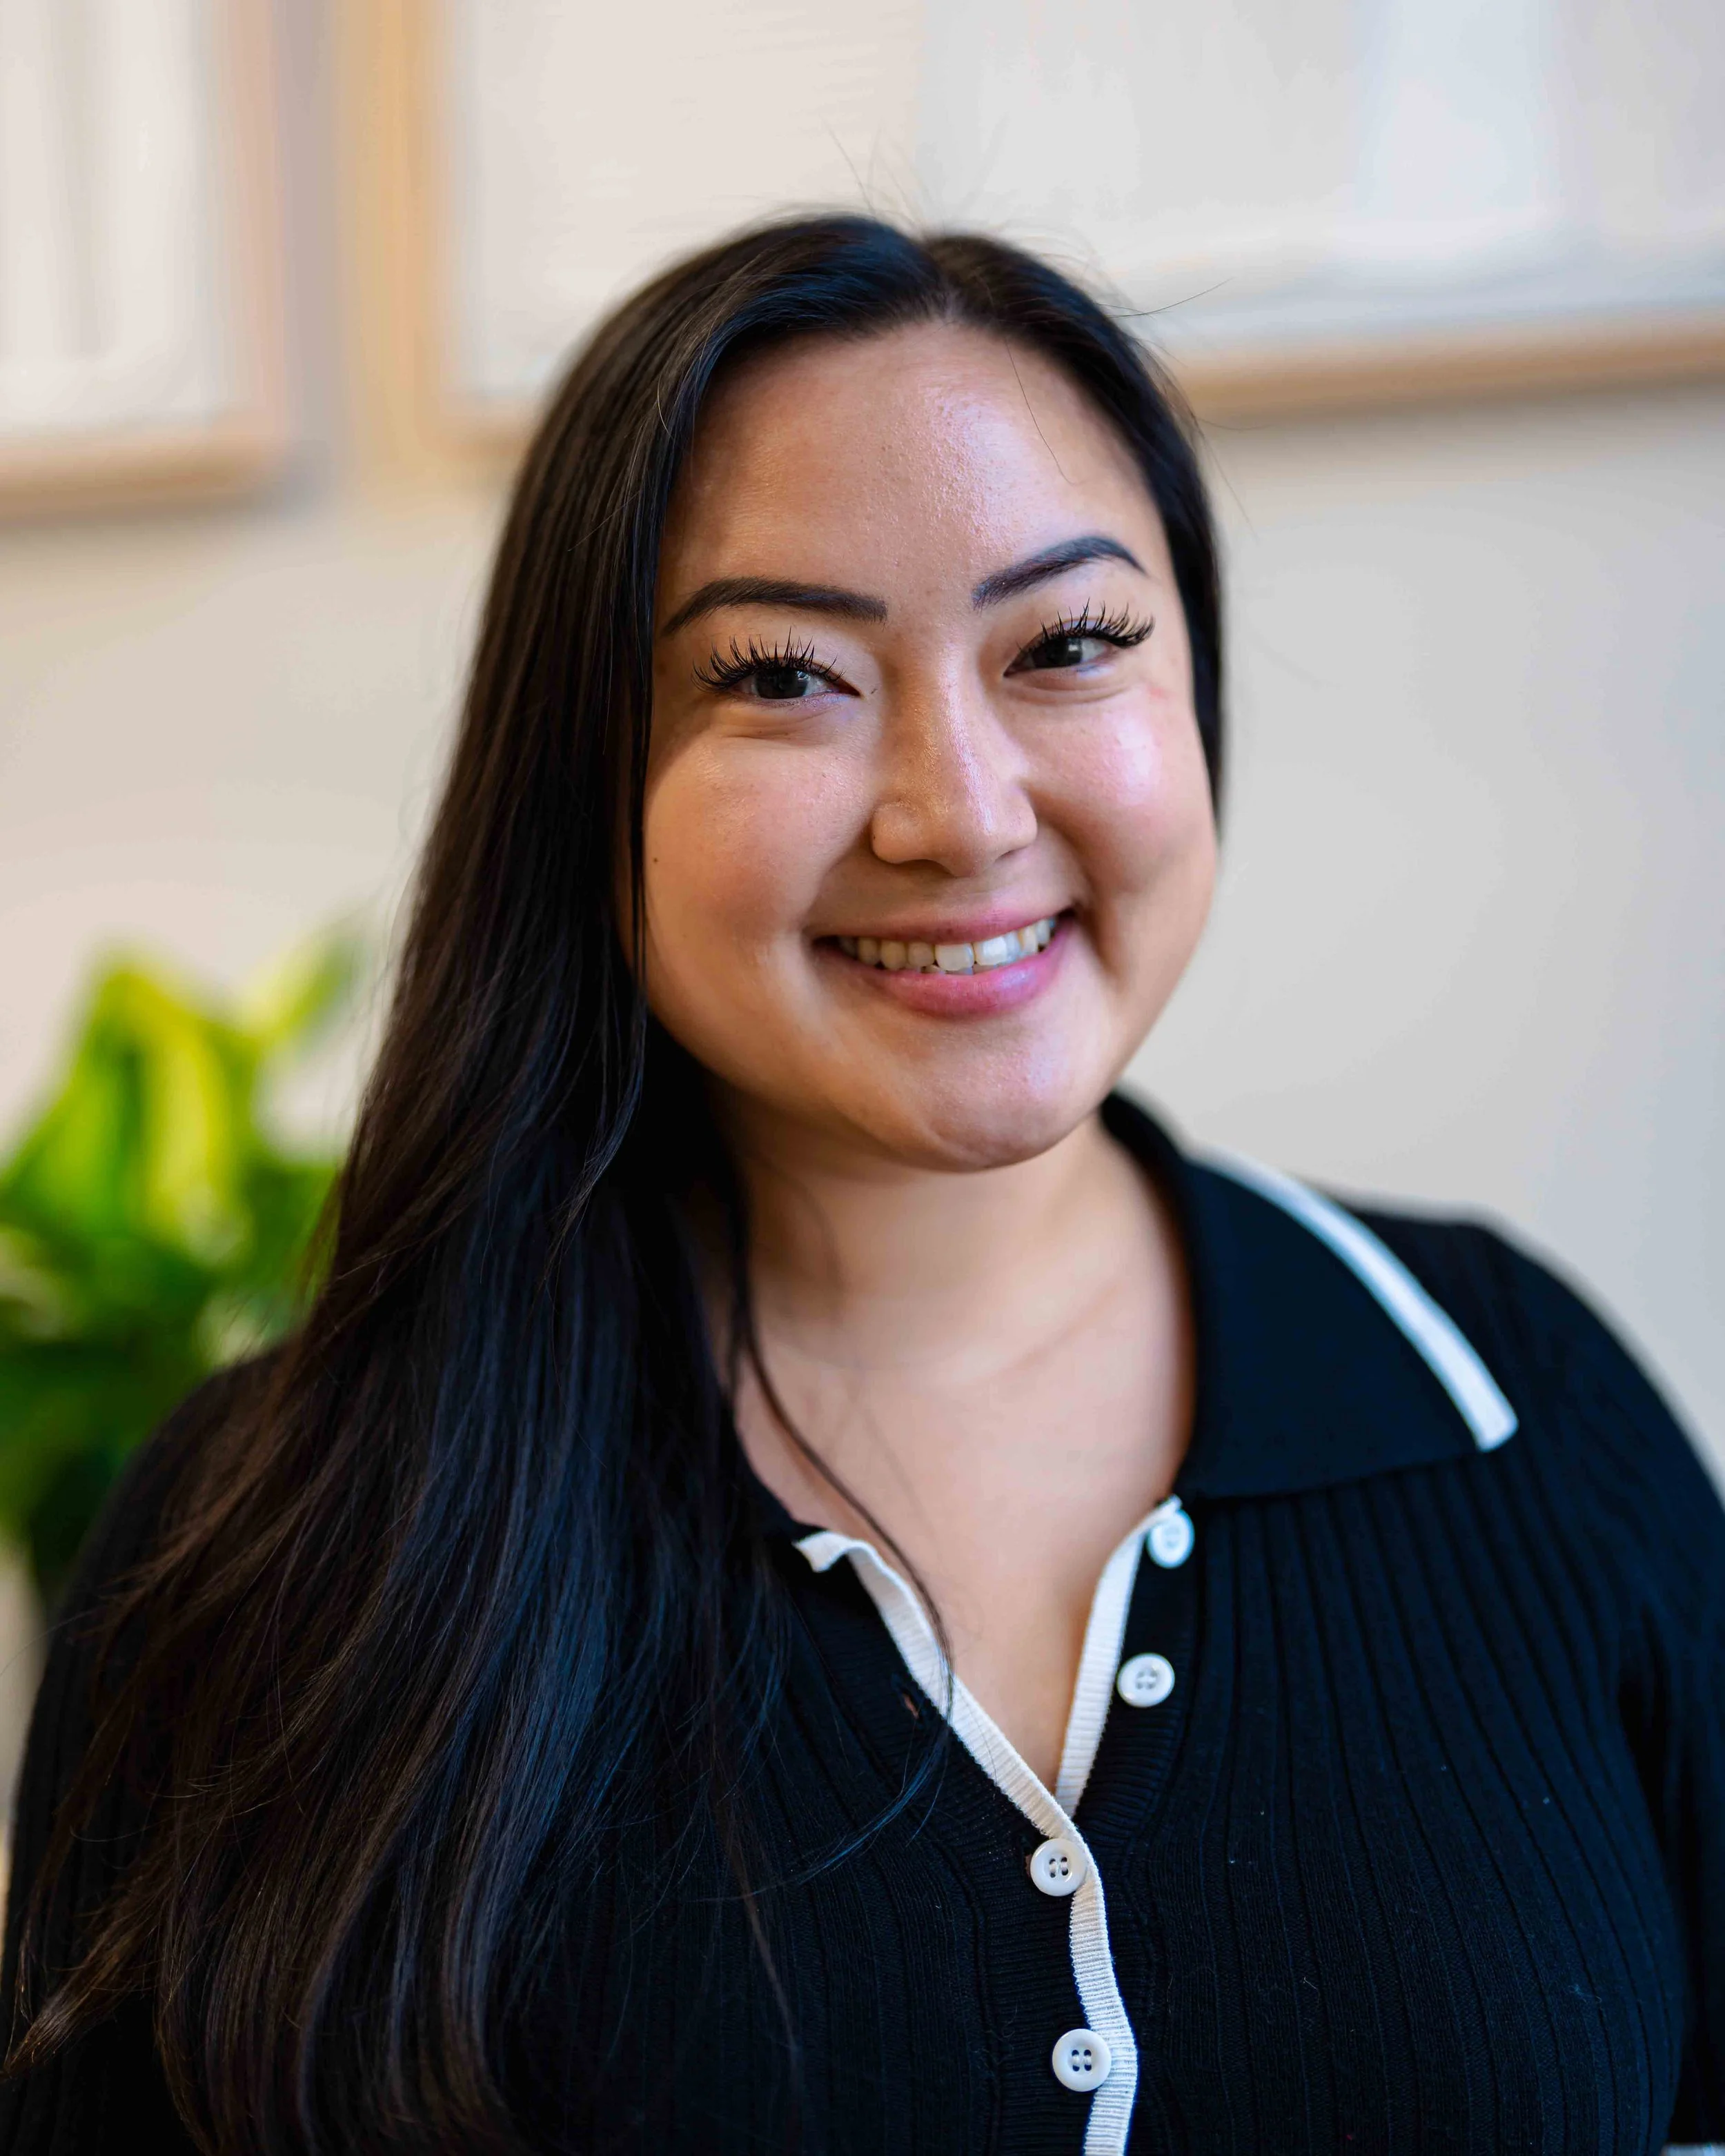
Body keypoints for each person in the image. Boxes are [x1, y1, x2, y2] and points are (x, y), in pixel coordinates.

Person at [3, 216, 1721, 2156]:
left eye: (1066, 645)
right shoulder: (265, 1548)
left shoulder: (1514, 1403)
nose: (959, 810)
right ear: (588, 772)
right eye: (787, 676)